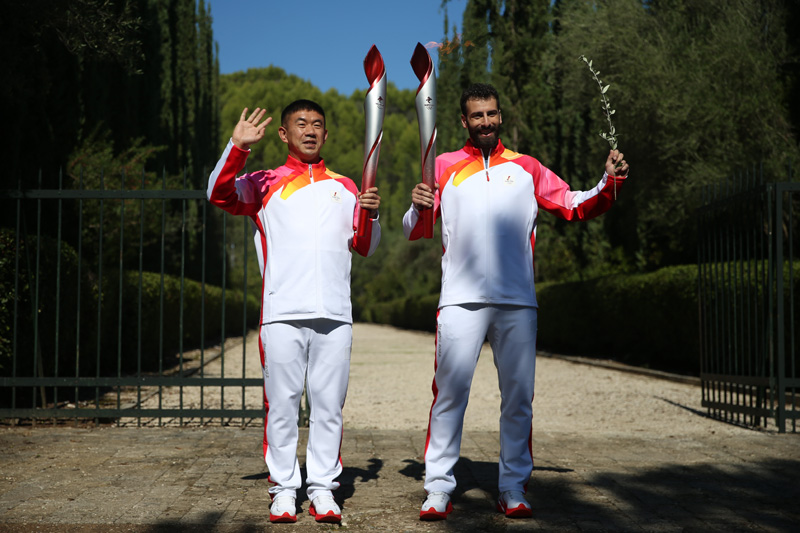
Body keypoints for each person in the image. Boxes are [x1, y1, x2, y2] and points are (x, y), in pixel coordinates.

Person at [403, 83, 629, 520]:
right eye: (477, 115)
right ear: (464, 121)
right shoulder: (442, 166)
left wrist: (609, 181)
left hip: (517, 300)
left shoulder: (527, 168)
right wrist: (417, 205)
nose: (485, 122)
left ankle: (512, 487)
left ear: (500, 116)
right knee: (449, 395)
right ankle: (438, 487)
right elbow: (416, 228)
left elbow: (573, 204)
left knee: (519, 399)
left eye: (491, 113)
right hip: (460, 300)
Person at [207, 100, 381, 524]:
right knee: (282, 407)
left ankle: (322, 489)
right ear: (284, 134)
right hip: (282, 312)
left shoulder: (347, 187)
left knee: (328, 408)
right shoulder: (263, 182)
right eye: (301, 124)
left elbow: (365, 246)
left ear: (326, 134)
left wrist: (371, 217)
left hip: (334, 315)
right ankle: (284, 490)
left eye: (317, 124)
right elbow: (218, 194)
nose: (310, 130)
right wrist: (237, 147)